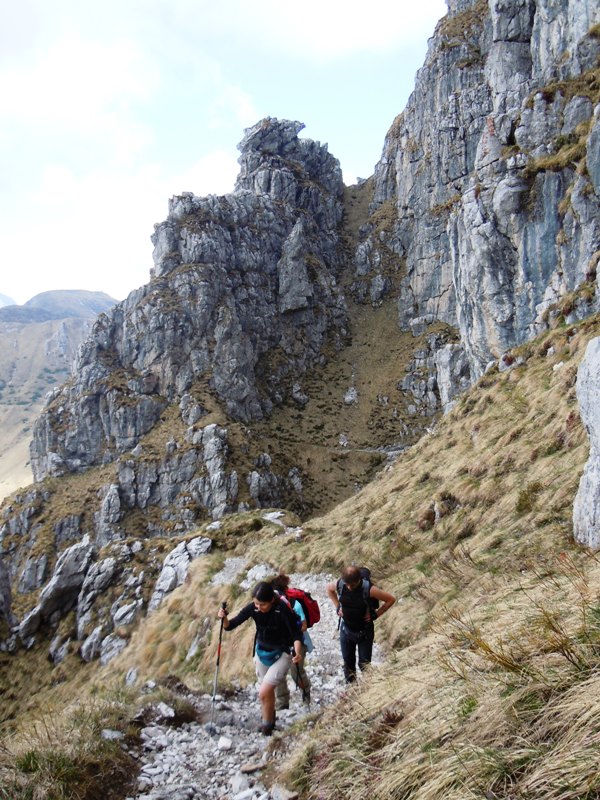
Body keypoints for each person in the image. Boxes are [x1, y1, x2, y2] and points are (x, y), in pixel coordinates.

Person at [217, 581, 304, 735]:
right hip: (262, 652)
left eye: (262, 604)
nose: (258, 607)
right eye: (256, 603)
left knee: (264, 691)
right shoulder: (253, 608)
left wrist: (297, 652)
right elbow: (230, 625)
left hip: (282, 653)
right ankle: (269, 724)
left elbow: (296, 633)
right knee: (267, 693)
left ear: (271, 600)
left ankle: (266, 725)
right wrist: (224, 618)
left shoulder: (282, 609)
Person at [326, 566, 395, 683]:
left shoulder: (369, 589)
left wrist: (376, 615)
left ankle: (367, 689)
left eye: (351, 585)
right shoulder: (341, 583)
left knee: (364, 664)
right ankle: (352, 689)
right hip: (346, 630)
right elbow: (329, 589)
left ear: (358, 580)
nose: (348, 587)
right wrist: (338, 607)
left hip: (365, 632)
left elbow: (390, 599)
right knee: (348, 663)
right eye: (346, 584)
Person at [270, 573, 313, 709]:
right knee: (279, 672)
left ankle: (306, 695)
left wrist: (290, 632)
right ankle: (283, 702)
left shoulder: (295, 604)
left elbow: (304, 626)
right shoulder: (271, 605)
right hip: (281, 643)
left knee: (296, 671)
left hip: (299, 642)